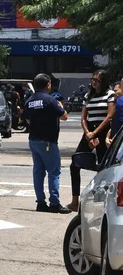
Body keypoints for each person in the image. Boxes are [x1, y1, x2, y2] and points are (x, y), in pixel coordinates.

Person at [66, 69, 116, 212]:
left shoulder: (110, 94)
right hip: (89, 133)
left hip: (103, 132)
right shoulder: (88, 95)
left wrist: (95, 133)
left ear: (104, 82)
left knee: (103, 167)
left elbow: (110, 116)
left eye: (97, 80)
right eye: (92, 79)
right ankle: (75, 201)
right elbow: (83, 117)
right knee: (75, 163)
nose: (94, 82)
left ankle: (103, 202)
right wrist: (88, 133)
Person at [23, 74, 71, 214]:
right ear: (48, 84)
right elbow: (64, 116)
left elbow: (26, 120)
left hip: (34, 140)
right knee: (53, 172)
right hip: (48, 141)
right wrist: (61, 105)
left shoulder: (29, 101)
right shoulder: (51, 100)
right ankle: (54, 203)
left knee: (38, 172)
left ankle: (40, 203)